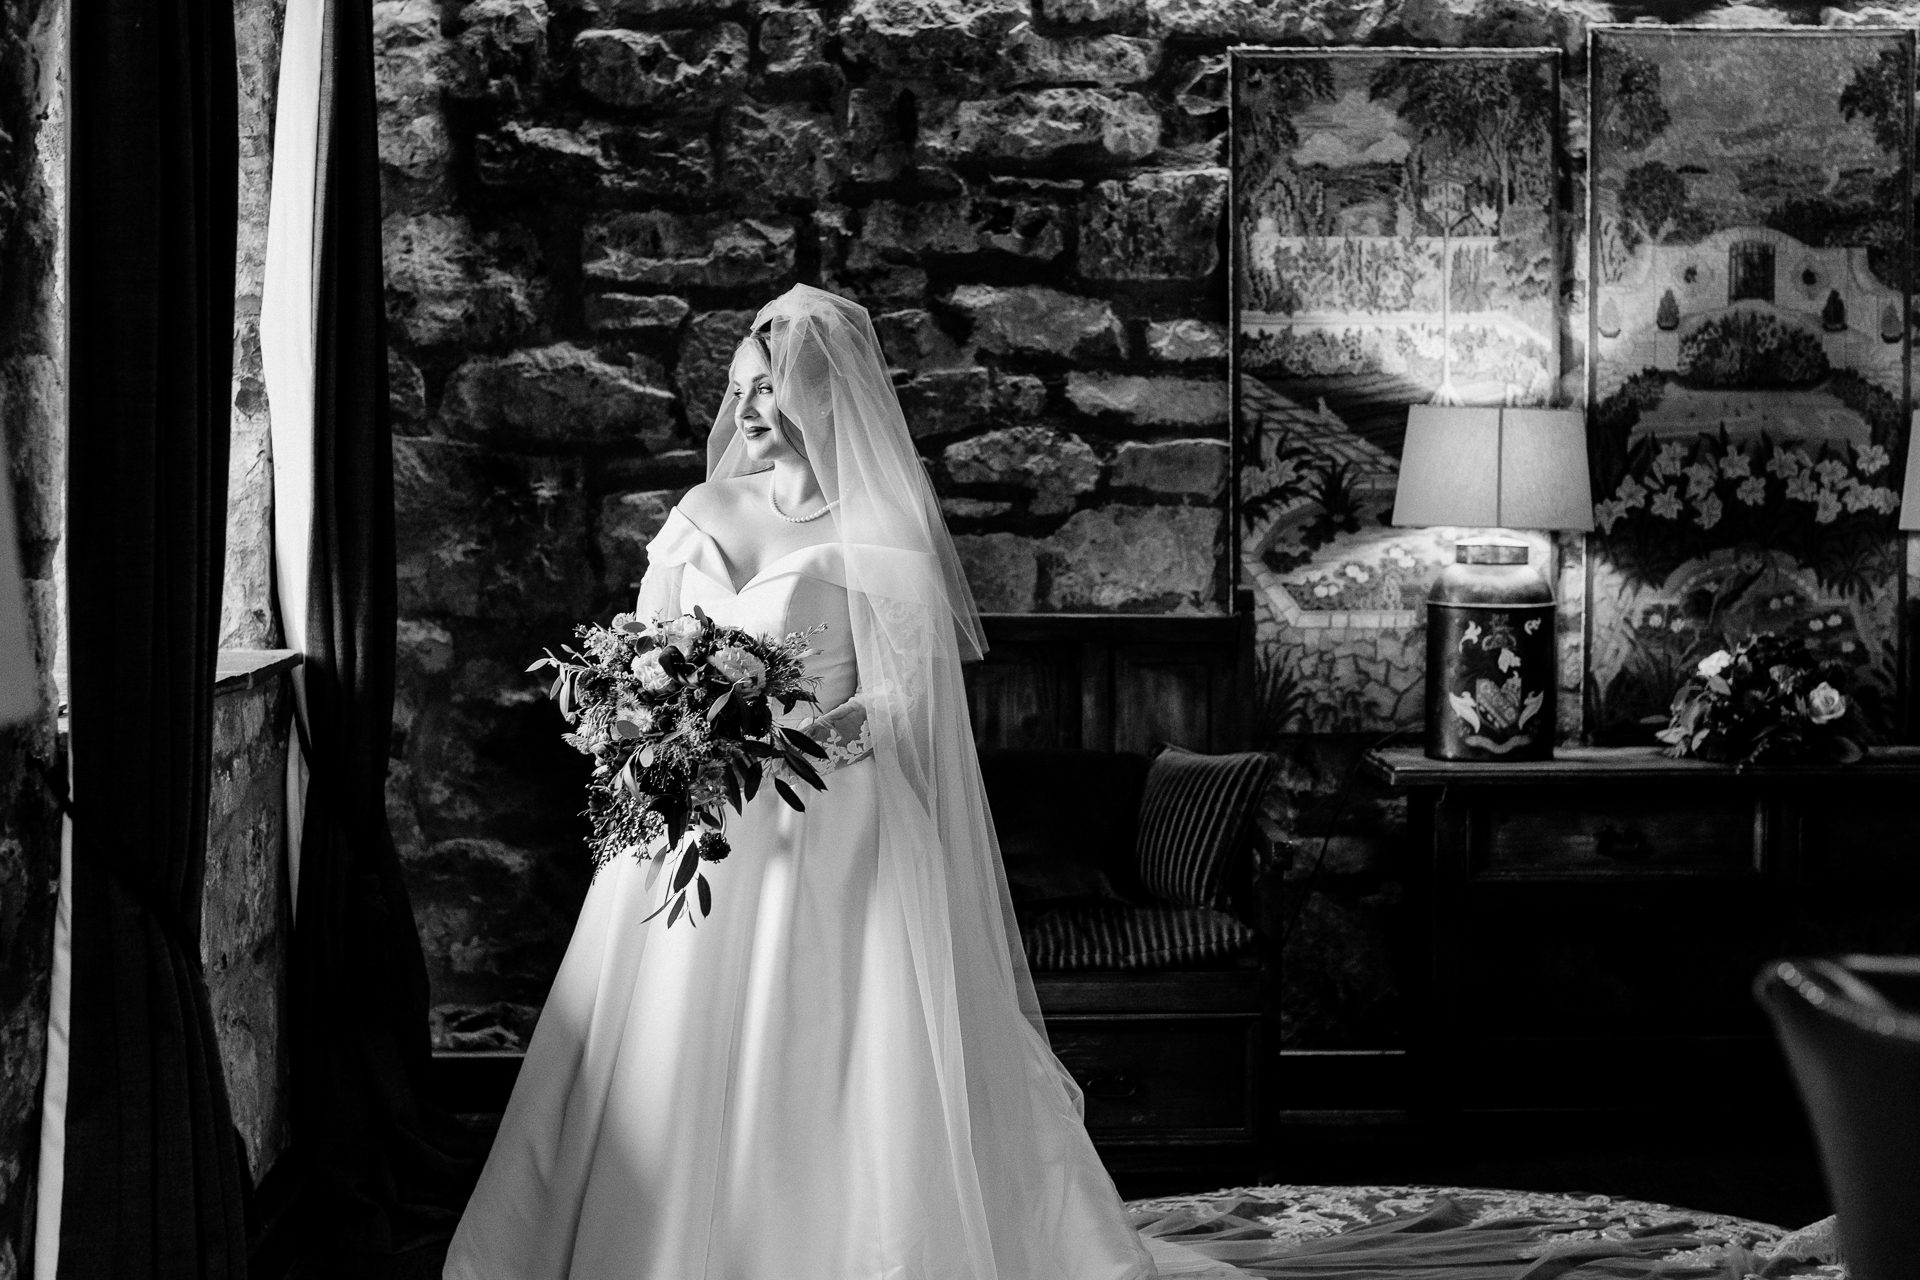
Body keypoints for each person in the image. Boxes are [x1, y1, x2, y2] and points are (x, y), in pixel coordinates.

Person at [443, 285, 1162, 1279]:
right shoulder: (701, 510)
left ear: (824, 400)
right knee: (659, 1053)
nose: (745, 411)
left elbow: (906, 695)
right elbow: (644, 651)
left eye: (769, 390)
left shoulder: (880, 526)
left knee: (835, 1062)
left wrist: (799, 737)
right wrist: (650, 732)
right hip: (689, 823)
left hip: (831, 824)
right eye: (739, 389)